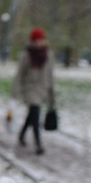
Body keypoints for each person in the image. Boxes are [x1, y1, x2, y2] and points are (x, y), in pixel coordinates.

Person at [12, 27, 55, 155]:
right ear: (33, 41)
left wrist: (52, 94)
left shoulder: (49, 55)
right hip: (30, 89)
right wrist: (15, 92)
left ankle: (21, 134)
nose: (40, 42)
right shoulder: (26, 55)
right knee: (35, 115)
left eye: (42, 40)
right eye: (37, 40)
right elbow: (19, 74)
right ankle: (38, 144)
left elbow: (50, 75)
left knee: (31, 116)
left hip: (43, 89)